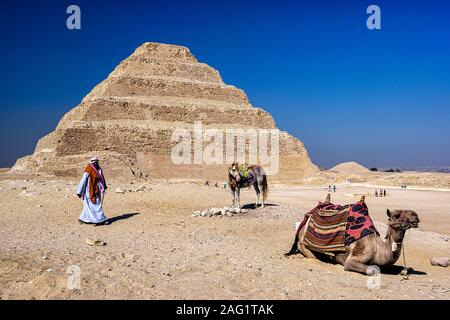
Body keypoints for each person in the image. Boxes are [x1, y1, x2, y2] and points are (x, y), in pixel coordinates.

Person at [76, 157, 109, 225]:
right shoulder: (88, 170)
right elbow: (83, 181)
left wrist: (103, 186)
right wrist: (80, 192)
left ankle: (83, 218)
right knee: (95, 205)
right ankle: (102, 219)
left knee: (90, 205)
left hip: (97, 189)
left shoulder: (98, 169)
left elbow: (102, 179)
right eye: (95, 162)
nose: (96, 163)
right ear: (92, 162)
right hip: (89, 190)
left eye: (97, 162)